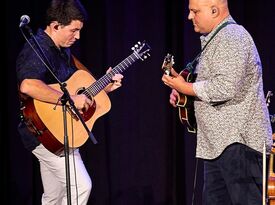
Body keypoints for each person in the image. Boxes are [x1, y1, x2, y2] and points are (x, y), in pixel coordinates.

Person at [161, 0, 273, 204]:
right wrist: (184, 94)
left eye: (194, 11)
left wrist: (185, 88)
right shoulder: (215, 40)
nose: (189, 16)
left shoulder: (233, 36)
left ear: (214, 10)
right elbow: (208, 86)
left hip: (240, 144)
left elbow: (225, 87)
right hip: (217, 146)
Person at [16, 0, 123, 204]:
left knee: (53, 197)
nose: (78, 36)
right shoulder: (37, 48)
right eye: (74, 30)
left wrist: (105, 86)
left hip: (56, 133)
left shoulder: (62, 49)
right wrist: (71, 99)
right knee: (81, 186)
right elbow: (28, 85)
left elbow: (80, 82)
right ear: (56, 25)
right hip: (42, 131)